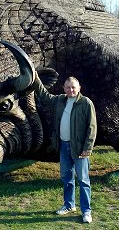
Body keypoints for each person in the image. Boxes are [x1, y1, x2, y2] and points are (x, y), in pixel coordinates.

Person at [32, 73, 97, 223]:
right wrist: (35, 76)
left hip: (80, 148)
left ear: (79, 88)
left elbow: (92, 128)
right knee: (67, 178)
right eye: (67, 87)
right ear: (64, 88)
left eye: (73, 87)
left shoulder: (86, 103)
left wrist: (88, 148)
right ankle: (69, 205)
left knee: (83, 180)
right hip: (63, 145)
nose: (70, 90)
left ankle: (86, 211)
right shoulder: (60, 100)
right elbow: (44, 95)